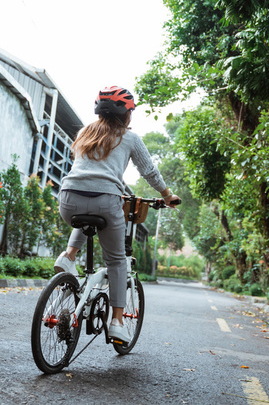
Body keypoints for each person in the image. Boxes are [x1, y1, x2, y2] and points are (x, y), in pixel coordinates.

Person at [54, 86, 180, 344]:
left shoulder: (84, 132)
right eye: (131, 111)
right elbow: (149, 171)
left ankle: (69, 256)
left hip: (68, 200)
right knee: (117, 261)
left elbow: (84, 172)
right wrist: (167, 195)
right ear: (125, 113)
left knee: (85, 209)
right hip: (106, 203)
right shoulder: (129, 138)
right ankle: (118, 322)